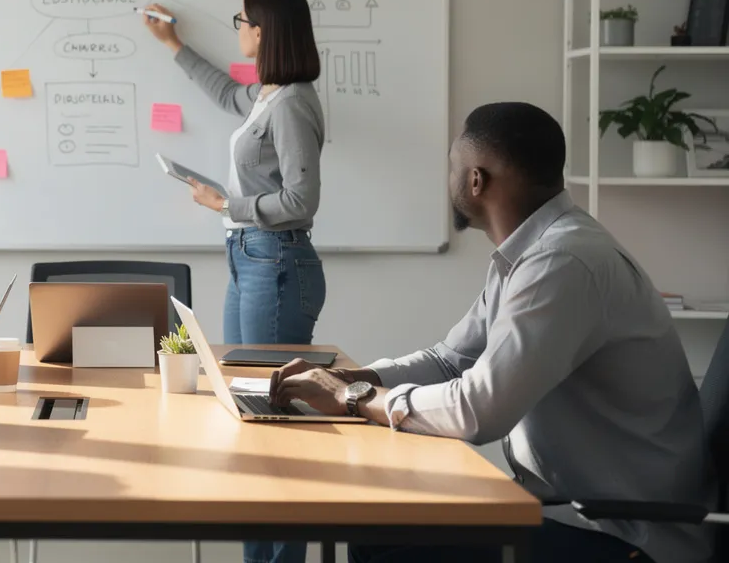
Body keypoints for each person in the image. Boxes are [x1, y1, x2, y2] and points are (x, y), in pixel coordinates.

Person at [270, 102, 715, 563]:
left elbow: (479, 410)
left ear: (476, 181)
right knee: (379, 530)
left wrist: (356, 398)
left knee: (389, 543)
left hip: (625, 537)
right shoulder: (530, 255)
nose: (448, 181)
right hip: (575, 514)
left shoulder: (562, 263)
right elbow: (450, 359)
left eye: (452, 169)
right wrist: (353, 380)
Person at [143, 0, 325, 563]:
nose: (238, 28)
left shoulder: (294, 102)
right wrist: (174, 45)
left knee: (270, 424)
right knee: (245, 415)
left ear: (265, 31)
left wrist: (227, 205)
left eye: (242, 20)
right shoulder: (270, 97)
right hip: (250, 258)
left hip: (275, 259)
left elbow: (301, 199)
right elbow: (225, 92)